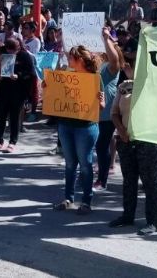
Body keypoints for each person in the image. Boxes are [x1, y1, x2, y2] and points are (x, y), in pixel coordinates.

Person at [109, 60, 157, 236]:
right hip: (126, 141)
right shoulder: (123, 87)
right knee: (129, 181)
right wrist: (121, 130)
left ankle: (152, 222)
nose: (127, 68)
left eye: (131, 66)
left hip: (147, 142)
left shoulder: (154, 86)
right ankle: (127, 215)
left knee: (150, 183)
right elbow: (114, 112)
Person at [51, 45, 106, 215]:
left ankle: (86, 202)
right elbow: (54, 94)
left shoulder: (95, 78)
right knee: (69, 164)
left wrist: (100, 100)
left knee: (85, 165)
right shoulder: (67, 75)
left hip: (86, 128)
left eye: (70, 59)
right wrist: (49, 86)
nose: (68, 61)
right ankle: (68, 198)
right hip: (66, 125)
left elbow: (101, 107)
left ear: (79, 60)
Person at [0, 38, 34, 153]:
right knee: (1, 116)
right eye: (9, 50)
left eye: (14, 51)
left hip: (18, 91)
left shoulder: (25, 56)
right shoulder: (3, 53)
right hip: (3, 89)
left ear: (18, 48)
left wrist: (18, 76)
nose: (11, 53)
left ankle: (12, 142)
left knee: (14, 117)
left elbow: (30, 73)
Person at [94, 27, 123, 192]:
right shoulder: (98, 66)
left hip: (106, 114)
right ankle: (97, 175)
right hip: (93, 112)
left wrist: (106, 39)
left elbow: (113, 59)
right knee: (96, 146)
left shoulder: (113, 67)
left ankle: (102, 180)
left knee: (102, 146)